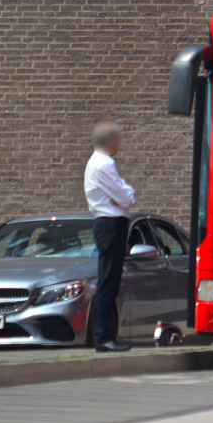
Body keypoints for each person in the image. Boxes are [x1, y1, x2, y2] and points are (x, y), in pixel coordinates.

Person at [84, 120, 135, 352]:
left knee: (109, 280)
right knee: (108, 281)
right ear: (112, 141)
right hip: (110, 225)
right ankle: (104, 337)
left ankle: (106, 336)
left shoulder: (100, 163)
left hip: (110, 224)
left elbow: (122, 194)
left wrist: (123, 192)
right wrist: (126, 191)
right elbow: (126, 198)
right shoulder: (103, 164)